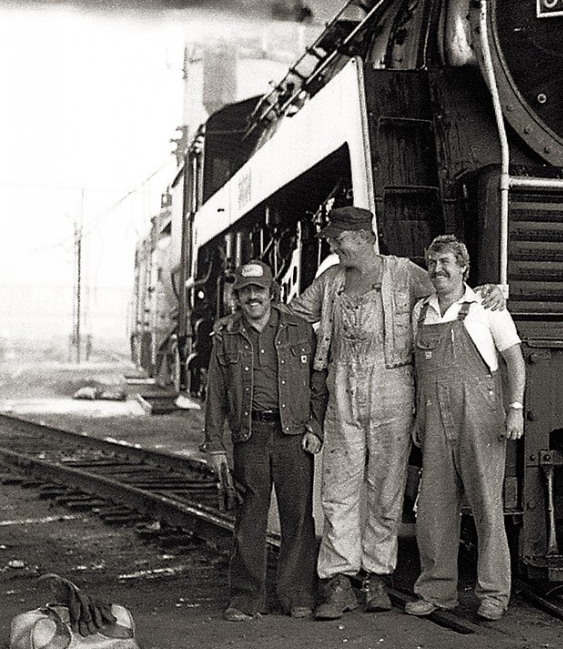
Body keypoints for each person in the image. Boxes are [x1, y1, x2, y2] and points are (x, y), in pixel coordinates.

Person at [289, 207, 504, 619]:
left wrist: (493, 291)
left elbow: (452, 291)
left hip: (393, 387)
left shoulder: (404, 273)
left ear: (363, 238)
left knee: (385, 489)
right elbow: (295, 314)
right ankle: (338, 580)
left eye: (339, 238)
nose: (333, 245)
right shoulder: (331, 279)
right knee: (338, 488)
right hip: (342, 386)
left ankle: (376, 577)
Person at [404, 235, 525, 622]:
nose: (436, 269)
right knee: (434, 509)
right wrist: (418, 418)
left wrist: (515, 408)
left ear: (463, 268)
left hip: (481, 418)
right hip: (434, 419)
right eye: (431, 262)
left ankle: (494, 594)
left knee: (487, 505)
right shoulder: (420, 311)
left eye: (445, 262)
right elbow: (418, 373)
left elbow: (514, 360)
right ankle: (437, 591)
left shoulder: (487, 307)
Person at [203, 260, 325, 621]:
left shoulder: (299, 329)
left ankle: (297, 594)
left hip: (293, 434)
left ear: (272, 292)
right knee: (249, 518)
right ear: (237, 297)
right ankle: (246, 598)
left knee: (298, 517)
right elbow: (216, 394)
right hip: (250, 435)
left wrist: (314, 427)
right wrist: (215, 445)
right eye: (245, 292)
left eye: (258, 290)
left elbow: (318, 382)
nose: (252, 297)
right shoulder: (226, 335)